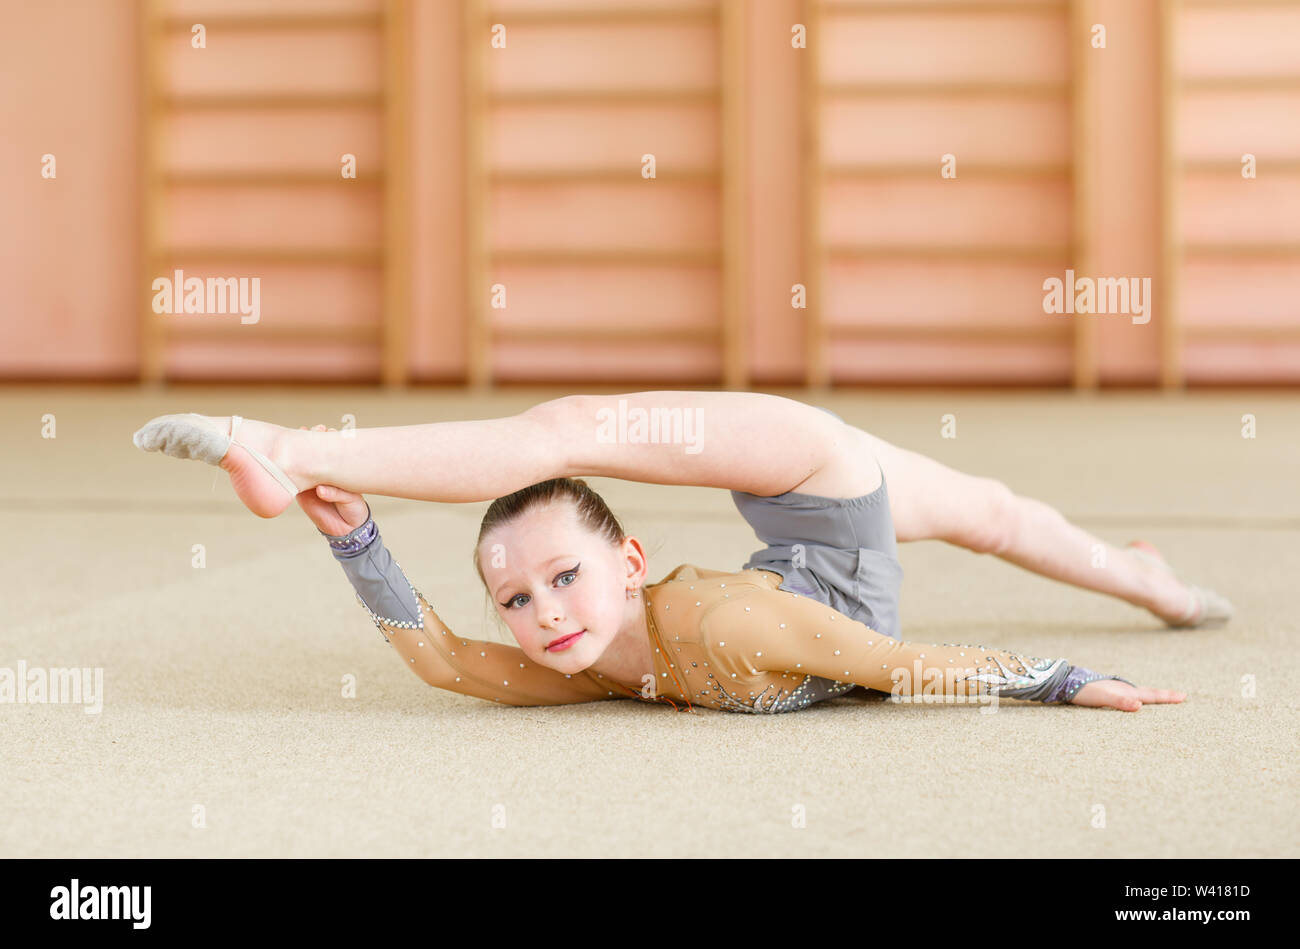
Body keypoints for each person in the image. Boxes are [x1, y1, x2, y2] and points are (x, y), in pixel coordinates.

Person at [132, 391, 1229, 713]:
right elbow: (450, 662)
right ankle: (1148, 577)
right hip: (832, 546)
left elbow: (905, 669)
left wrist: (1070, 681)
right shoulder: (581, 659)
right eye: (515, 598)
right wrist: (359, 539)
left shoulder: (719, 626)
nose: (543, 614)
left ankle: (287, 443)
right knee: (986, 511)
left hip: (811, 472)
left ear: (629, 561)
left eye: (564, 576)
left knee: (570, 429)